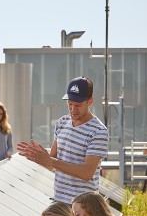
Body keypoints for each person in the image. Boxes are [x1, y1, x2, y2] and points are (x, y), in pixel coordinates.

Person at [17, 77, 109, 205]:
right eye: (70, 104)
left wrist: (50, 160)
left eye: (78, 105)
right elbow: (52, 163)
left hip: (83, 207)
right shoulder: (62, 123)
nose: (73, 109)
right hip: (59, 201)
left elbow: (87, 173)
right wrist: (37, 158)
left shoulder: (99, 131)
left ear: (90, 102)